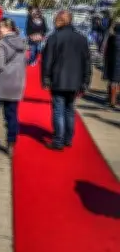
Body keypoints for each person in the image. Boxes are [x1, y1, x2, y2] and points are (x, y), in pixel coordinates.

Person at [41, 10, 91, 150]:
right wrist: (86, 81)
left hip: (58, 80)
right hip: (75, 81)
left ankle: (58, 140)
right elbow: (87, 62)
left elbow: (47, 61)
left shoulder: (54, 38)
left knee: (59, 110)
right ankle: (68, 138)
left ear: (60, 20)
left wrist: (45, 79)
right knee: (69, 110)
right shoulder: (81, 39)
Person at [0, 18, 27, 156]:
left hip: (1, 84)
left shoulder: (1, 43)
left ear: (8, 28)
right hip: (16, 84)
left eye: (0, 27)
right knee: (12, 116)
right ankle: (11, 144)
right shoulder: (22, 42)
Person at [102, 18, 120, 109]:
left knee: (112, 82)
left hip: (113, 63)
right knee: (116, 82)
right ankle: (113, 100)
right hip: (116, 63)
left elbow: (106, 50)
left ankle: (112, 100)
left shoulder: (112, 38)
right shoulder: (112, 38)